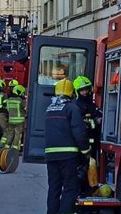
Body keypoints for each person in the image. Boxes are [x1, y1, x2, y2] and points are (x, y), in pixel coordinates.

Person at [45, 78, 89, 214]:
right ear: (72, 92)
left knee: (54, 188)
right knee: (70, 188)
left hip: (51, 156)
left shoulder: (49, 109)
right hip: (68, 156)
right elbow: (78, 131)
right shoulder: (72, 108)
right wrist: (86, 150)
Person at [72, 76, 102, 196]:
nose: (85, 92)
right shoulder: (76, 106)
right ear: (77, 91)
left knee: (92, 166)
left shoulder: (91, 104)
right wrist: (95, 122)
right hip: (82, 144)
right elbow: (81, 125)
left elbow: (98, 114)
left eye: (86, 89)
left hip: (94, 143)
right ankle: (81, 191)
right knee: (82, 168)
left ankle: (91, 189)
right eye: (82, 90)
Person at [4, 84, 26, 151]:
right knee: (17, 135)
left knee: (10, 134)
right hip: (19, 121)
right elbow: (25, 108)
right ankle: (15, 149)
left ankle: (6, 148)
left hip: (10, 120)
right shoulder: (20, 100)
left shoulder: (9, 99)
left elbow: (7, 109)